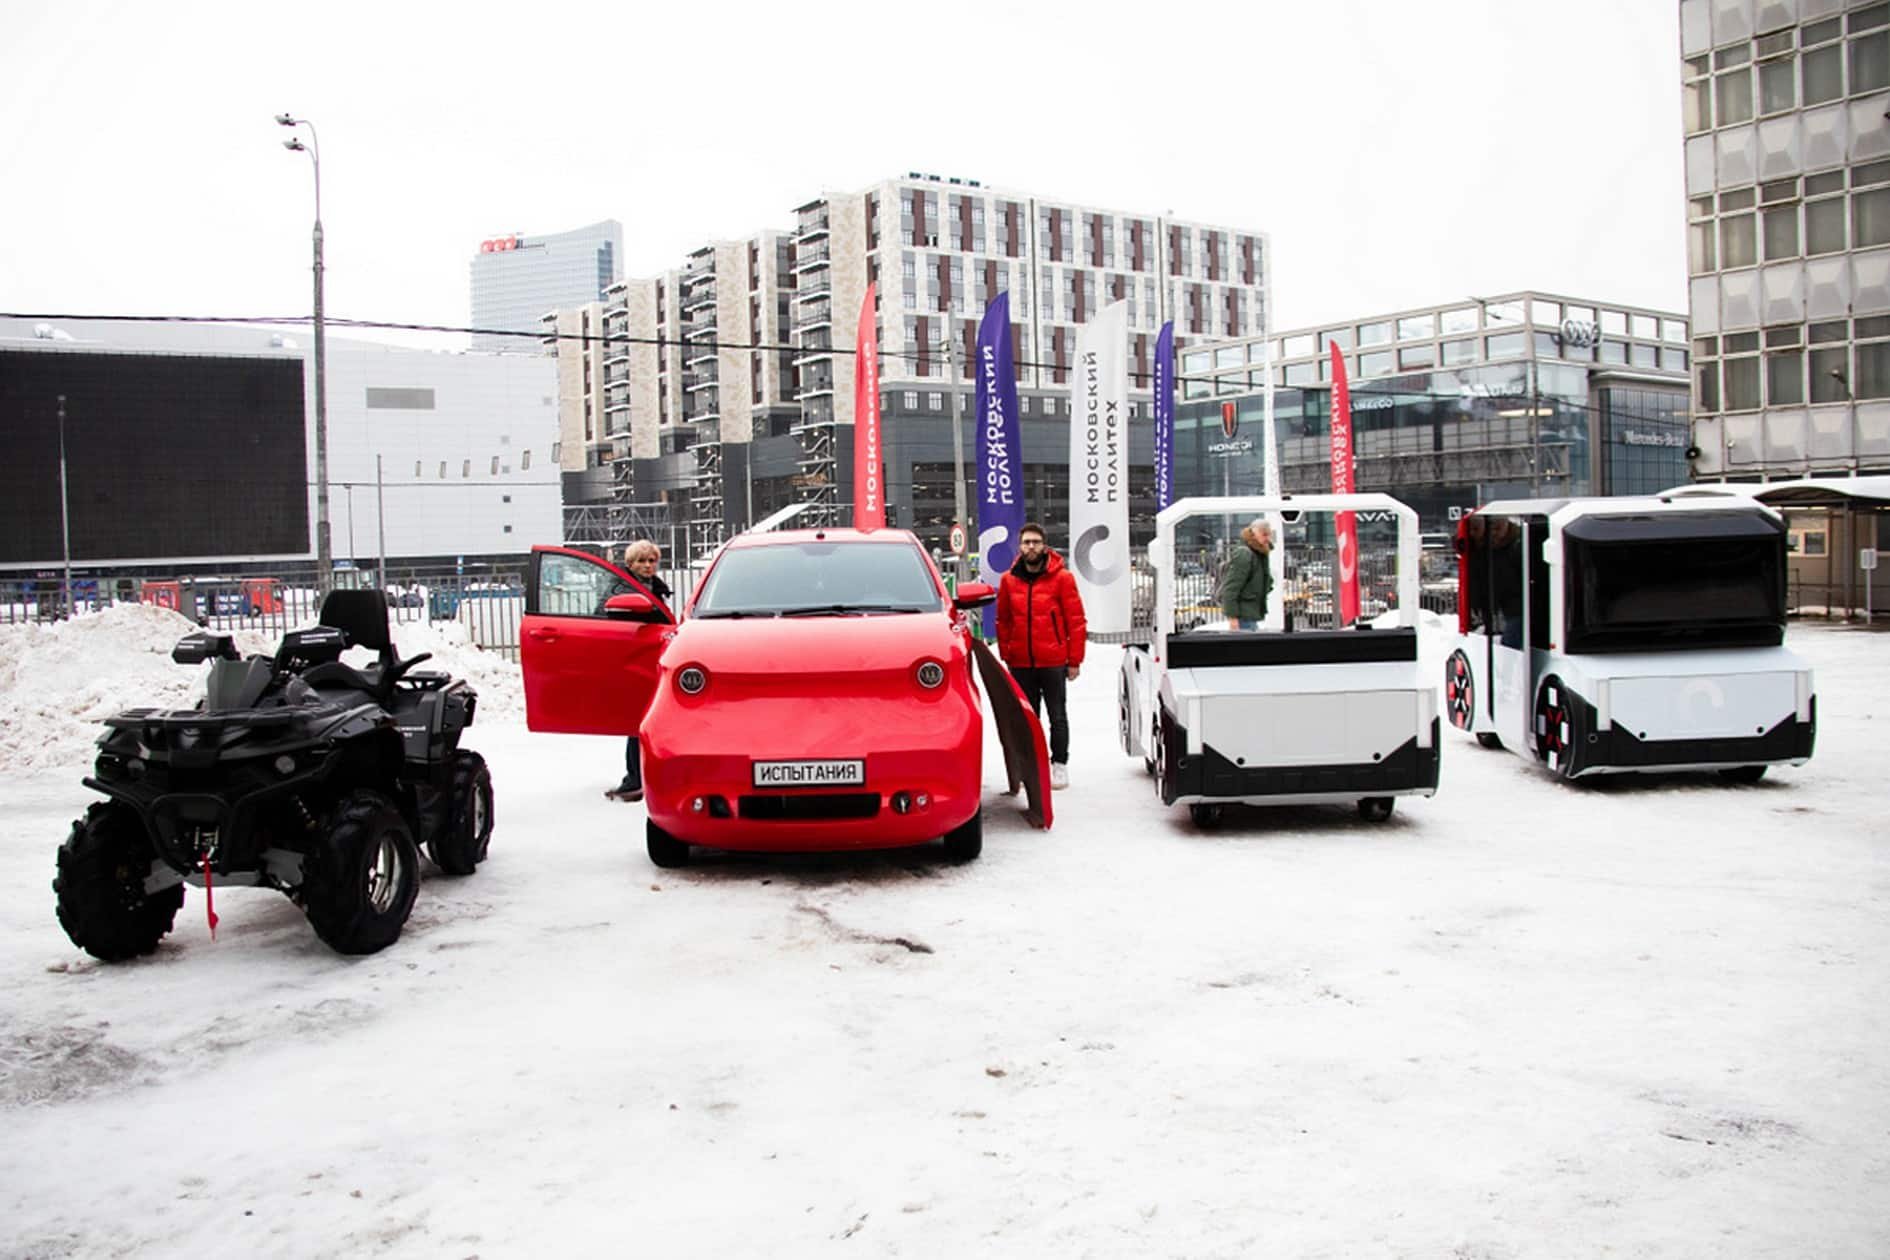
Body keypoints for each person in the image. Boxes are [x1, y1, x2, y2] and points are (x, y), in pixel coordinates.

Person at [995, 521, 1087, 790]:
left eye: (1035, 542)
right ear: (1020, 547)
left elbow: (1076, 621)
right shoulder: (1008, 580)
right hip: (1021, 662)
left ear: (1044, 546)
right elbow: (1003, 620)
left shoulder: (1062, 578)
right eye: (1026, 542)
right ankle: (1031, 766)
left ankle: (1059, 764)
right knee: (1026, 718)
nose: (1031, 547)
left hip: (1053, 660)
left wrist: (1074, 660)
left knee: (1057, 716)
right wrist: (1007, 653)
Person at [606, 539, 672, 803]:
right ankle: (634, 778)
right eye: (641, 561)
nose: (647, 566)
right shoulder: (621, 590)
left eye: (651, 561)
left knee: (652, 720)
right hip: (630, 658)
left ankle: (650, 776)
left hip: (652, 658)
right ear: (630, 564)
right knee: (636, 720)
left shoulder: (657, 588)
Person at [1220, 518, 1275, 631]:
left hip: (1248, 613)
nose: (1267, 539)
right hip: (1243, 614)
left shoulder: (1257, 553)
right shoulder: (1245, 553)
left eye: (1269, 535)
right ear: (1253, 534)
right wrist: (1232, 618)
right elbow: (1231, 588)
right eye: (1264, 535)